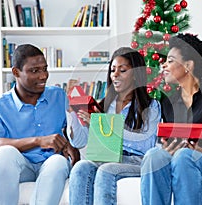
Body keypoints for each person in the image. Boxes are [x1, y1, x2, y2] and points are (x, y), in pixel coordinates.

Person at [140, 33, 202, 205]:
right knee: (153, 155)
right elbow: (171, 136)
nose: (163, 65)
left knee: (185, 156)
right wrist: (168, 147)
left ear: (188, 65)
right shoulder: (167, 101)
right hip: (180, 158)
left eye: (170, 60)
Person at [0, 44, 86, 204]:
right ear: (16, 72)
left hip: (52, 162)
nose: (43, 76)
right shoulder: (0, 105)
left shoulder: (59, 96)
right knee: (4, 153)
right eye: (35, 71)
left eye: (45, 69)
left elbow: (72, 134)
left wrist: (69, 144)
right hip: (22, 165)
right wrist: (38, 140)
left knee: (58, 162)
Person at [69, 47, 161, 205]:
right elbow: (78, 142)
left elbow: (146, 145)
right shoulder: (104, 105)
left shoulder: (151, 106)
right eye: (112, 70)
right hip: (106, 158)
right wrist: (72, 112)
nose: (115, 75)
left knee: (107, 170)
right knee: (81, 167)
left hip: (136, 161)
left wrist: (105, 128)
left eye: (122, 70)